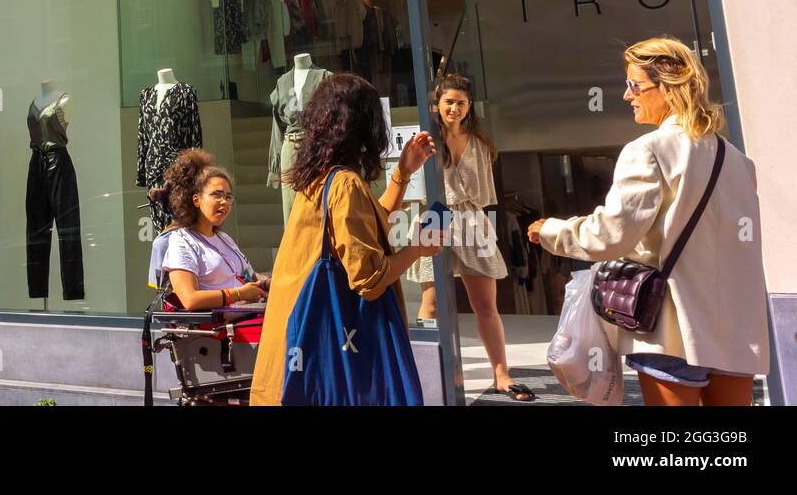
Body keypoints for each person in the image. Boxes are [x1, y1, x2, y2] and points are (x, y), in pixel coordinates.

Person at [528, 37, 769, 406]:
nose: (627, 96)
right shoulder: (738, 161)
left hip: (673, 326)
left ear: (669, 87)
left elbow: (610, 236)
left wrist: (550, 231)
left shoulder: (649, 149)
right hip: (735, 327)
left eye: (634, 85)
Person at [250, 73, 439, 406]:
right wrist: (419, 248)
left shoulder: (319, 177)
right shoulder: (345, 183)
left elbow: (368, 224)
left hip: (295, 353)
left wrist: (404, 173)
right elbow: (370, 278)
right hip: (329, 356)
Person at [414, 74, 534, 401]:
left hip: (470, 218)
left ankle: (502, 374)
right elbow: (415, 189)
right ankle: (428, 376)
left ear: (469, 107)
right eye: (449, 102)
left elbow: (483, 197)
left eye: (461, 103)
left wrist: (484, 231)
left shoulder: (478, 144)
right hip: (435, 213)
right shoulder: (425, 141)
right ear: (437, 104)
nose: (454, 108)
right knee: (432, 303)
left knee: (485, 305)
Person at [158, 149, 266, 310]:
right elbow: (190, 300)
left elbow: (249, 276)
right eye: (217, 195)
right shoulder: (182, 242)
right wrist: (239, 294)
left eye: (228, 197)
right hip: (220, 328)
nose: (224, 202)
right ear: (197, 200)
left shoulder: (224, 238)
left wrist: (271, 283)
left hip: (251, 314)